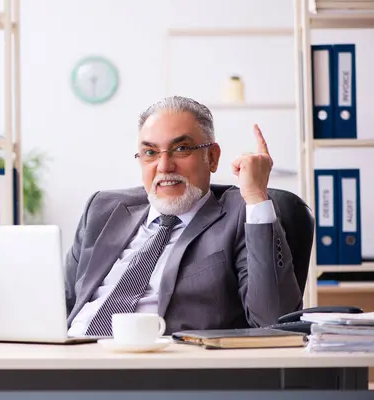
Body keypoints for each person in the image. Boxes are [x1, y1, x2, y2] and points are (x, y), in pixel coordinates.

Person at [64, 95, 302, 337]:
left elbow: (274, 320)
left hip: (161, 365)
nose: (164, 166)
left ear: (212, 157)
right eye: (150, 152)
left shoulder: (241, 213)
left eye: (181, 149)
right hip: (71, 354)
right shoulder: (102, 208)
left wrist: (255, 196)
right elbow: (63, 303)